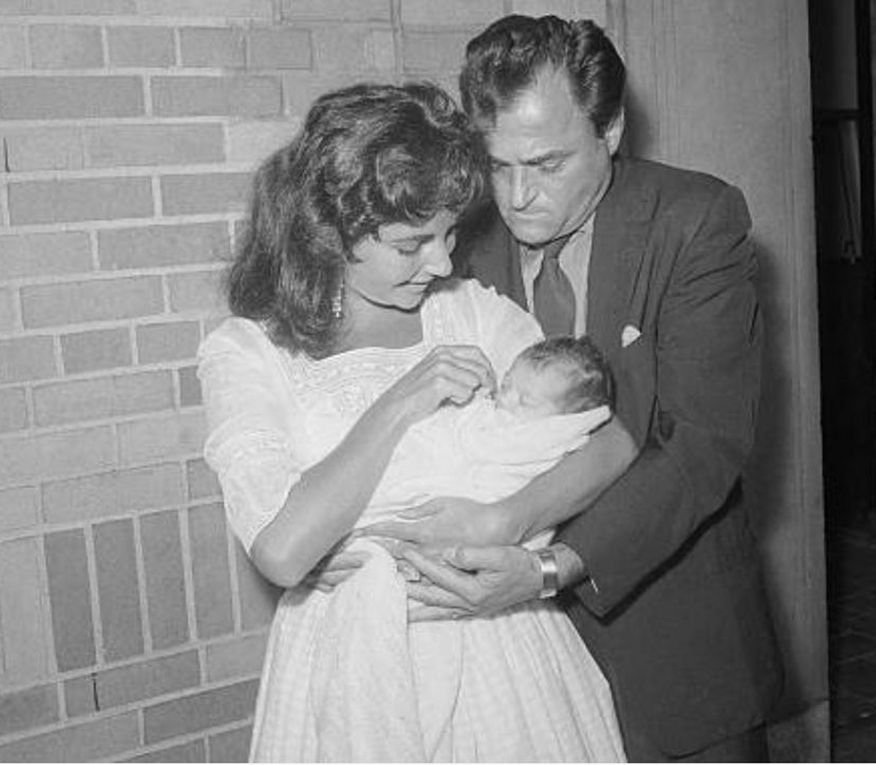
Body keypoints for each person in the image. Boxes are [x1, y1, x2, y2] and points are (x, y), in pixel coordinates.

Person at [365, 15, 783, 763]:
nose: (519, 196)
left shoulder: (695, 221)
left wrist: (549, 566)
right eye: (498, 165)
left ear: (612, 129)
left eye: (549, 164)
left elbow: (700, 446)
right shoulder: (456, 243)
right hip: (516, 676)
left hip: (673, 653)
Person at [197, 81, 633, 762]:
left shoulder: (471, 312)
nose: (441, 261)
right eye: (410, 244)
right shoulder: (248, 351)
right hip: (348, 665)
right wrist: (401, 401)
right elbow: (283, 550)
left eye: (449, 232)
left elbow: (611, 442)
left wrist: (504, 520)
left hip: (501, 649)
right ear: (326, 232)